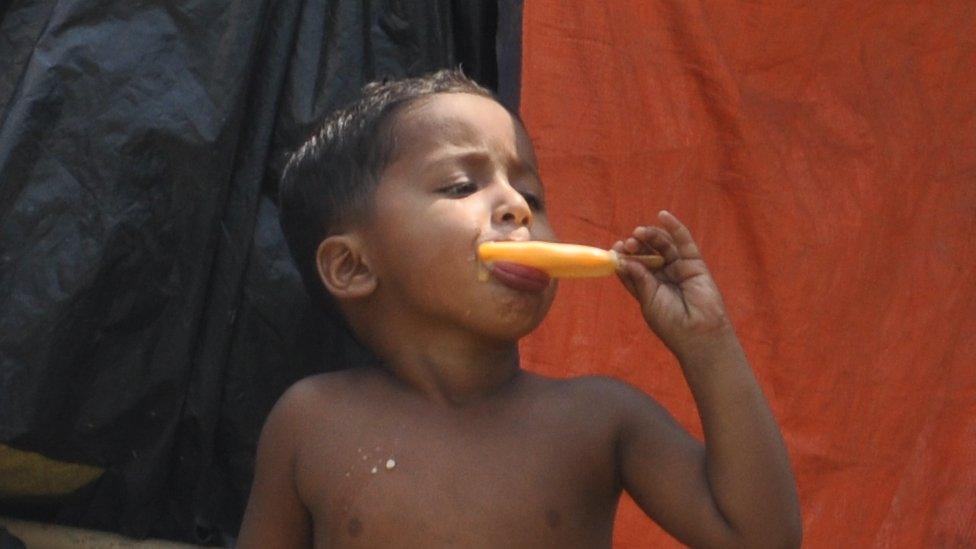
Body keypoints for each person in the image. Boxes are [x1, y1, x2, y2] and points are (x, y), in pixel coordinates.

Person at [237, 69, 801, 548]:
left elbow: (758, 536)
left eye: (531, 196)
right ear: (352, 267)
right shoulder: (310, 422)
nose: (515, 207)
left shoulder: (600, 419)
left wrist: (707, 341)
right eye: (461, 186)